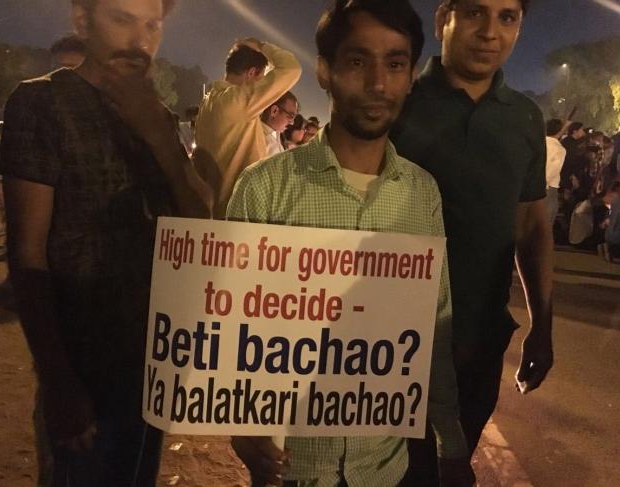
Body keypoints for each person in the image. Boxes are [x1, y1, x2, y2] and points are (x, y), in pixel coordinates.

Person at [227, 1, 473, 486]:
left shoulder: (422, 193)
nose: (378, 83)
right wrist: (241, 426)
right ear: (325, 71)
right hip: (291, 468)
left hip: (384, 468)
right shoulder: (263, 188)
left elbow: (433, 322)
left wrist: (450, 440)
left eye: (395, 64)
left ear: (410, 76)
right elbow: (231, 326)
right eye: (358, 61)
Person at [0, 0, 211, 485]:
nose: (140, 41)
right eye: (121, 19)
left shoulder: (156, 115)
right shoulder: (42, 104)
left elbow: (200, 225)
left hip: (153, 361)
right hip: (83, 368)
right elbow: (28, 254)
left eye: (152, 25)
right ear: (82, 21)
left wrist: (158, 134)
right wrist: (59, 382)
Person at [390, 1, 554, 484]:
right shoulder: (397, 101)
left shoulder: (525, 118)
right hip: (387, 342)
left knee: (451, 466)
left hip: (478, 343)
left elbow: (530, 226)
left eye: (507, 17)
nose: (490, 32)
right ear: (445, 18)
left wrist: (542, 325)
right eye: (476, 13)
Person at [195, 38, 301, 216]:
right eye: (262, 78)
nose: (262, 85)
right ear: (251, 73)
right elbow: (291, 68)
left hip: (216, 212)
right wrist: (261, 46)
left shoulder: (209, 101)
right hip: (239, 214)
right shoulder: (236, 103)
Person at [260, 91, 299, 156]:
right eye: (290, 116)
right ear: (274, 111)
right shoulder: (260, 141)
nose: (292, 123)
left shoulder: (276, 136)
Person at [545, 118, 567, 229]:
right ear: (559, 131)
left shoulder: (538, 143)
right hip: (549, 187)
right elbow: (553, 170)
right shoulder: (559, 149)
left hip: (531, 185)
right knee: (546, 220)